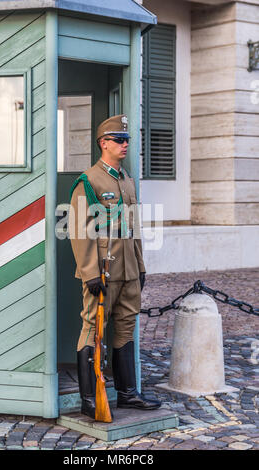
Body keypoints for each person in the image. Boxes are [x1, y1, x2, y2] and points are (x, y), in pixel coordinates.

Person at [69, 114, 161, 419]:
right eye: (119, 140)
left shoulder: (127, 180)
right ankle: (88, 399)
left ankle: (127, 394)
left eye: (127, 140)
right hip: (104, 273)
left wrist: (141, 265)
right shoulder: (89, 180)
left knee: (125, 327)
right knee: (93, 328)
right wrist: (90, 272)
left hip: (129, 271)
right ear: (103, 143)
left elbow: (133, 227)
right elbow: (81, 231)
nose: (125, 145)